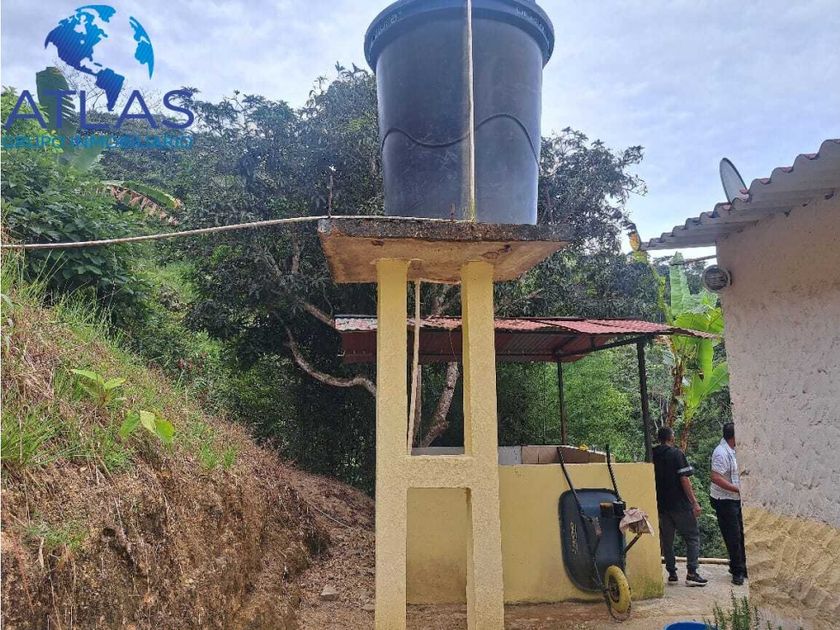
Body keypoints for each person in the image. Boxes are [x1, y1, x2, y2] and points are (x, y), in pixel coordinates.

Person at [653, 426, 708, 586]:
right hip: (680, 505)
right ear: (671, 438)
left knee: (667, 541)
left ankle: (672, 573)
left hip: (662, 506)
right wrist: (694, 502)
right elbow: (684, 479)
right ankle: (692, 573)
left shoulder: (652, 454)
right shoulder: (676, 454)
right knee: (692, 537)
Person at [710, 422, 748, 585]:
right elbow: (715, 477)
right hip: (724, 500)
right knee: (733, 536)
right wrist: (737, 489)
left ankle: (741, 567)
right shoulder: (721, 453)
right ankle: (737, 571)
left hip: (736, 499)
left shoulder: (735, 450)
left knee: (741, 534)